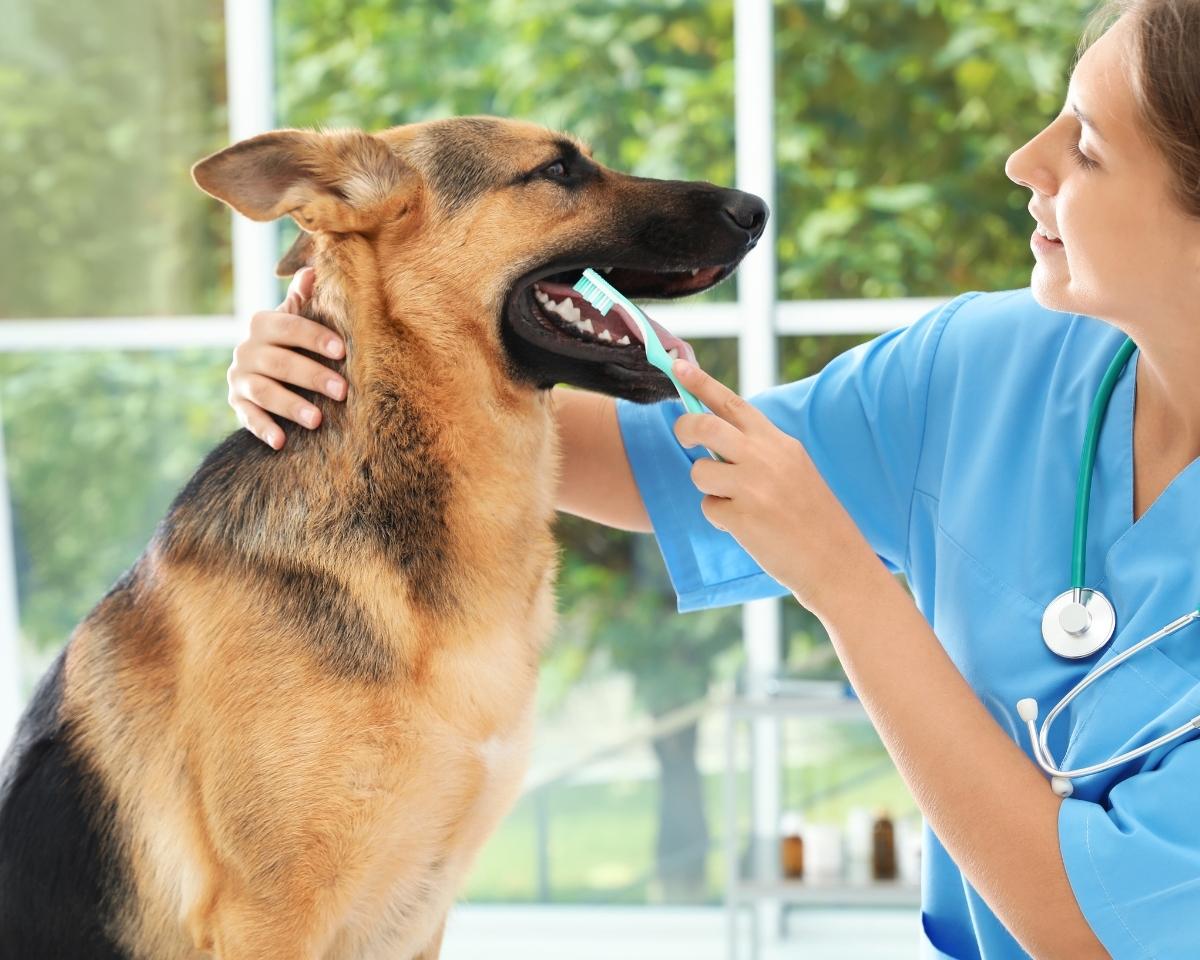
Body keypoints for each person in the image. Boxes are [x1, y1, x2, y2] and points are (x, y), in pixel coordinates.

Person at [225, 2, 1200, 956]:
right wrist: (362, 364)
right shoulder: (993, 367)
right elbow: (659, 463)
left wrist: (847, 588)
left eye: (1089, 147)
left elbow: (1085, 933)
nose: (1025, 160)